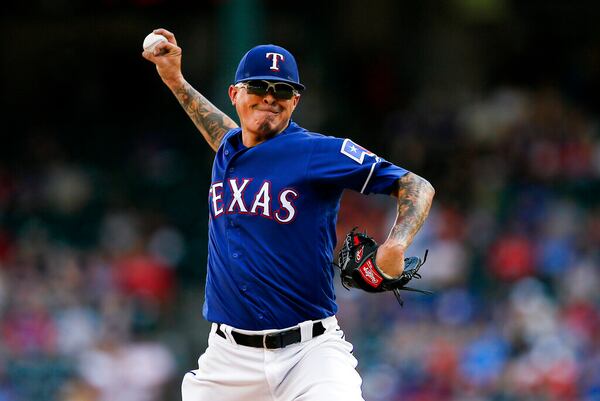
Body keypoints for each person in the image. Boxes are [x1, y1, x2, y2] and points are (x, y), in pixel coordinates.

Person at [142, 28, 435, 401]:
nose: (269, 97)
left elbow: (416, 185)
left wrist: (396, 242)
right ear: (235, 94)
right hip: (227, 361)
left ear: (294, 101)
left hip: (308, 355)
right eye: (259, 86)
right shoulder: (230, 147)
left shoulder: (318, 152)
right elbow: (219, 129)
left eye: (282, 90)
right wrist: (175, 79)